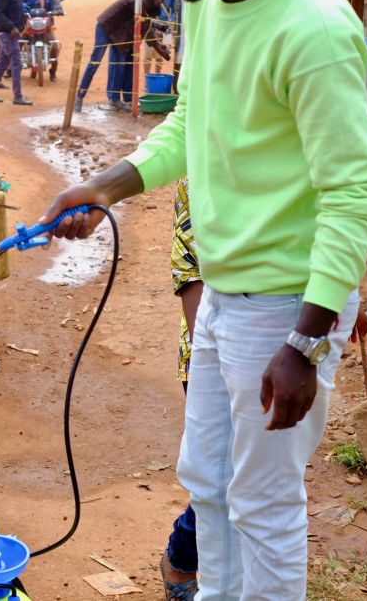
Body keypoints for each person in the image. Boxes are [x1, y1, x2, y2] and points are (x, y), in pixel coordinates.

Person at [41, 0, 367, 597]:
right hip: (224, 292)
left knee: (263, 503)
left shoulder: (314, 30)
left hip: (288, 304)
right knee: (208, 481)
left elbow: (355, 197)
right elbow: (190, 122)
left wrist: (305, 340)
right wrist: (102, 187)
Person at [162, 177, 201, 601]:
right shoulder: (198, 178)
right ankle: (180, 560)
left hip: (282, 349)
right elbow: (190, 271)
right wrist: (212, 364)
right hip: (209, 354)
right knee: (216, 477)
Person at [75, 0, 169, 111]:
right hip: (105, 27)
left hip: (119, 33)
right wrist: (159, 48)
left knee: (119, 65)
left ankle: (115, 100)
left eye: (161, 0)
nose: (159, 1)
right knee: (95, 62)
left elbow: (145, 22)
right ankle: (79, 97)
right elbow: (145, 27)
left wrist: (158, 30)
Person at [19, 0, 65, 81]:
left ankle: (53, 71)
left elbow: (56, 3)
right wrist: (21, 12)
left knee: (54, 46)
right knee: (18, 44)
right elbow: (19, 5)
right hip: (29, 27)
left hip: (46, 27)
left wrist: (59, 9)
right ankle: (13, 68)